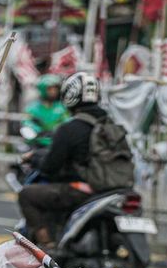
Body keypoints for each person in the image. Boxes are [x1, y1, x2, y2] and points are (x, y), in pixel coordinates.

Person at [17, 72, 104, 249]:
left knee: (26, 194)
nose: (53, 91)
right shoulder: (110, 124)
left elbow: (51, 166)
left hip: (82, 188)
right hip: (110, 188)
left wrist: (36, 159)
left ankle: (47, 245)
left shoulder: (70, 127)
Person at [23, 74, 68, 146]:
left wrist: (56, 130)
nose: (53, 92)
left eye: (55, 89)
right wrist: (38, 131)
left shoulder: (62, 107)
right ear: (42, 89)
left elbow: (67, 122)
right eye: (50, 89)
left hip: (57, 144)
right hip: (37, 145)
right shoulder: (33, 108)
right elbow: (27, 123)